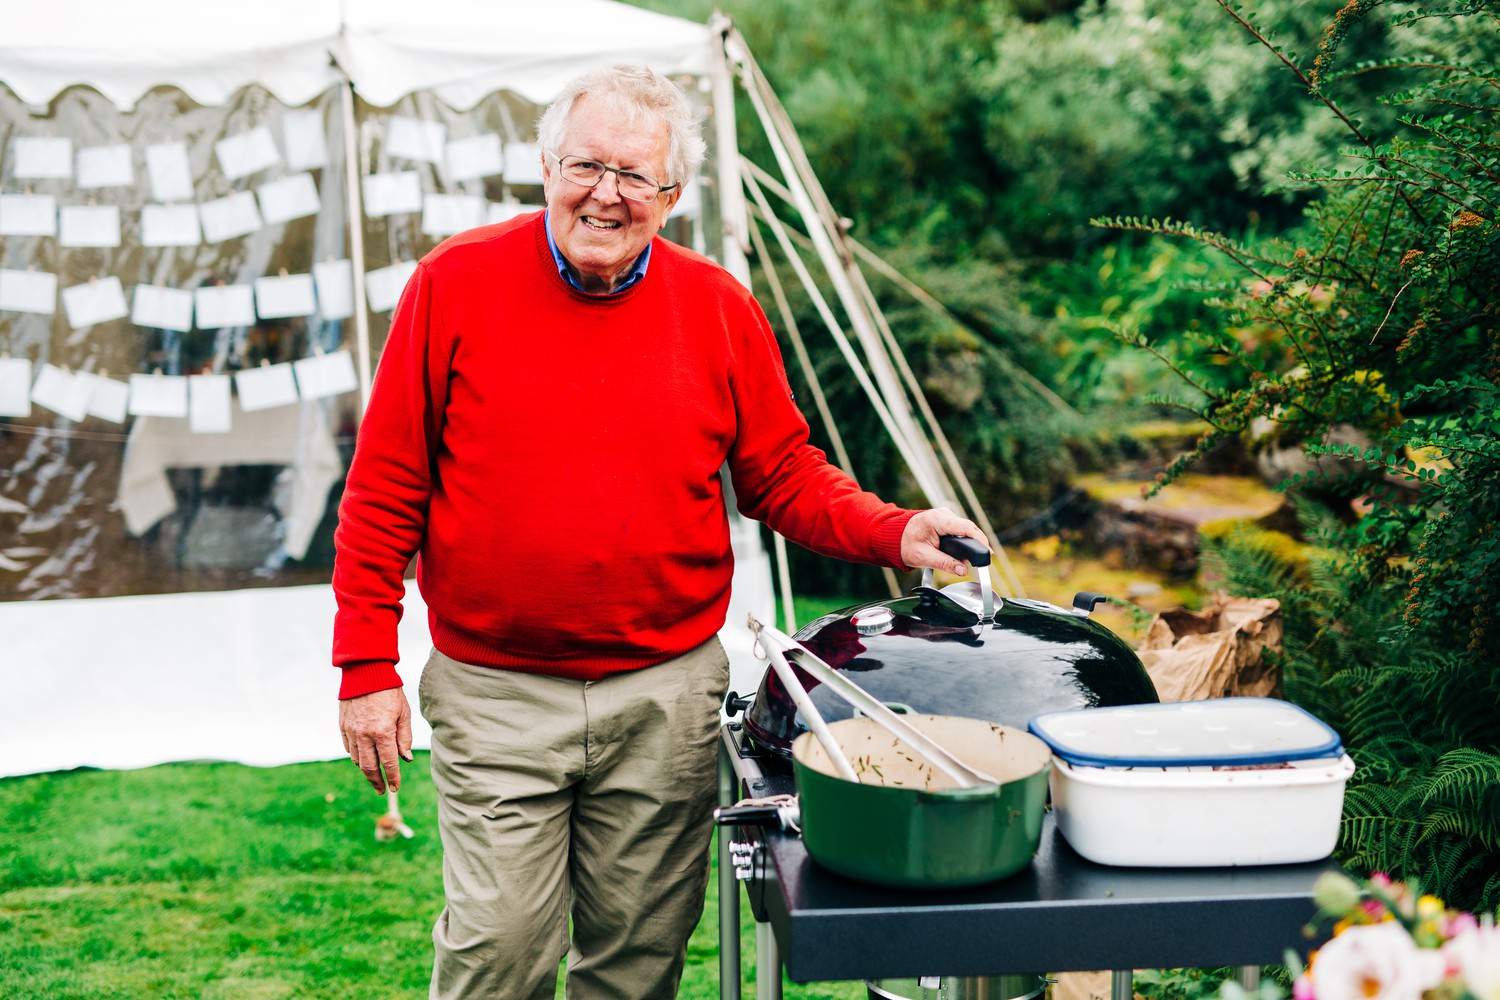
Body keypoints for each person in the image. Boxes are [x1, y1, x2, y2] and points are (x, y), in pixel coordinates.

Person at [333, 64, 987, 1000]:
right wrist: (365, 667)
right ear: (546, 165)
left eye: (634, 175)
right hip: (498, 692)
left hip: (665, 694)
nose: (606, 193)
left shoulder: (718, 306)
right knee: (497, 951)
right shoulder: (453, 286)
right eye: (586, 165)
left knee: (638, 962)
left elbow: (782, 473)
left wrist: (896, 531)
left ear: (671, 197)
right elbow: (385, 489)